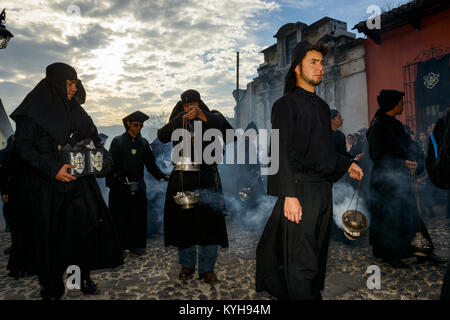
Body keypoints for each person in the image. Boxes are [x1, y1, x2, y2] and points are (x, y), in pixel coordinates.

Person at [255, 41, 363, 300]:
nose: (320, 68)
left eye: (322, 63)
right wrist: (288, 195)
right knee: (301, 258)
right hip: (299, 190)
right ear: (297, 68)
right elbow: (278, 151)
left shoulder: (323, 107)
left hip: (322, 190)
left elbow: (321, 151)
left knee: (316, 253)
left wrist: (347, 164)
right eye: (312, 62)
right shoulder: (285, 105)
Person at [10, 62, 123, 300]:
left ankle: (80, 278)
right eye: (69, 83)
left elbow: (95, 141)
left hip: (80, 185)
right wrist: (53, 169)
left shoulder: (78, 112)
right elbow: (24, 147)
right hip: (47, 186)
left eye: (76, 84)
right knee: (50, 238)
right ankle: (52, 286)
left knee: (82, 234)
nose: (74, 88)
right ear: (56, 83)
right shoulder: (34, 110)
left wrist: (103, 161)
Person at [157, 90, 233, 284]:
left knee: (210, 224)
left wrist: (203, 116)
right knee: (185, 225)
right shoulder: (178, 121)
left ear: (199, 104)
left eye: (193, 104)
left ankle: (207, 269)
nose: (189, 108)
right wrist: (179, 118)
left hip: (207, 178)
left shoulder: (212, 118)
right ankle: (187, 265)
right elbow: (162, 136)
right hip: (182, 178)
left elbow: (231, 135)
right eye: (185, 106)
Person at [366, 89, 445, 269]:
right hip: (385, 182)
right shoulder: (377, 126)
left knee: (411, 215)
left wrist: (416, 159)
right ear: (392, 105)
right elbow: (378, 155)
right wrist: (403, 163)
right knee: (390, 218)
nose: (403, 105)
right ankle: (389, 254)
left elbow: (409, 145)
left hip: (401, 179)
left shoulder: (395, 124)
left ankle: (423, 251)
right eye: (400, 102)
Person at [107, 111, 168, 256]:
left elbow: (151, 165)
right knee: (120, 216)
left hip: (138, 184)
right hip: (120, 185)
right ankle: (120, 246)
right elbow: (110, 165)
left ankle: (137, 245)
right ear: (128, 124)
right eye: (136, 125)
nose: (139, 128)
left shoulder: (144, 143)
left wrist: (164, 176)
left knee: (138, 216)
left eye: (141, 125)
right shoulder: (117, 141)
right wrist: (111, 184)